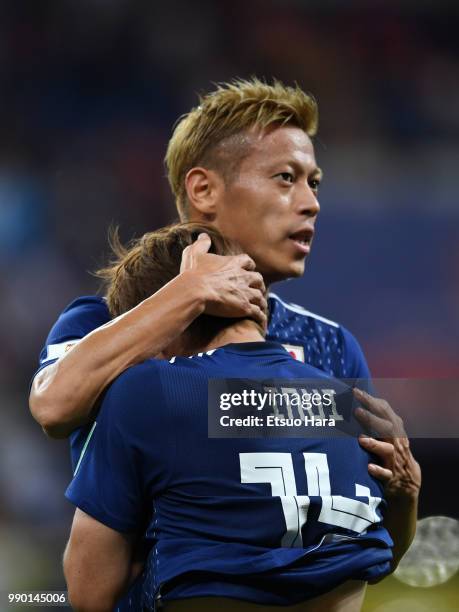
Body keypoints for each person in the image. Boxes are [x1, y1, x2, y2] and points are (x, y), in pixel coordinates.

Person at [29, 78, 420, 570]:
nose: (311, 202)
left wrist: (405, 496)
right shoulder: (101, 320)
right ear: (204, 189)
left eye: (313, 182)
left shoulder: (329, 346)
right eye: (285, 177)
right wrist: (189, 292)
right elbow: (53, 405)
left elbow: (368, 548)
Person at [64, 223, 393, 612]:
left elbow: (90, 593)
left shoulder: (150, 390)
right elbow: (380, 556)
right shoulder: (348, 404)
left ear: (166, 318)